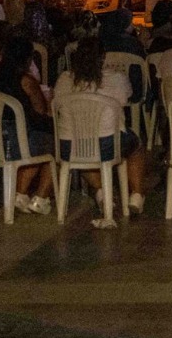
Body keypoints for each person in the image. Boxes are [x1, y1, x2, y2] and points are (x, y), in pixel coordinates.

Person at [54, 34, 147, 221]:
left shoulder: (64, 79)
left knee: (83, 150)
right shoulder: (117, 79)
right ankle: (136, 195)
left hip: (69, 145)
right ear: (103, 57)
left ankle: (102, 192)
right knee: (136, 145)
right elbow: (125, 99)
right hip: (108, 143)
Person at [0, 32, 54, 215]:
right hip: (17, 142)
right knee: (58, 144)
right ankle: (40, 197)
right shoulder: (26, 81)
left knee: (40, 142)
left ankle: (21, 194)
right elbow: (41, 111)